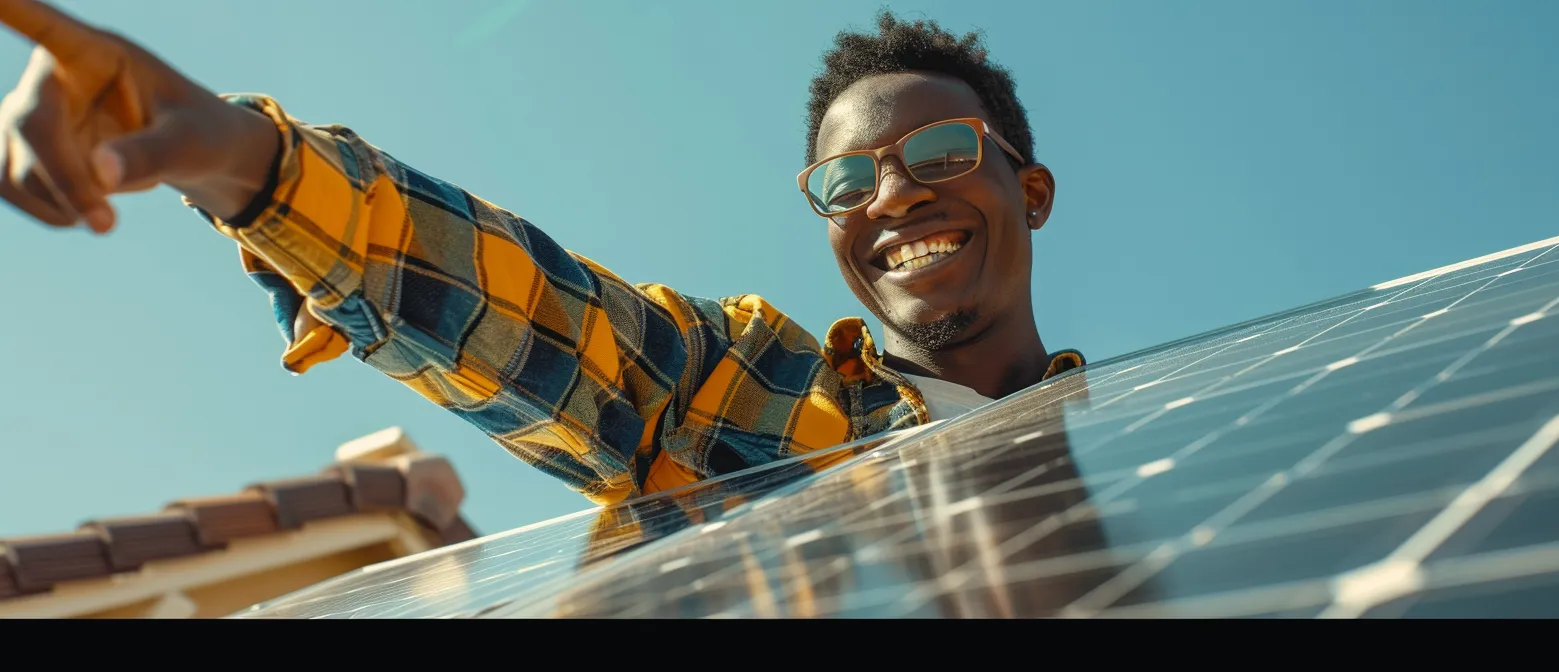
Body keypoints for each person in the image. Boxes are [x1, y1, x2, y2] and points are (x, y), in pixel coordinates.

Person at [0, 1, 1083, 507]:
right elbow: (516, 308)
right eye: (846, 181)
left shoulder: (1201, 424)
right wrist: (243, 159)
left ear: (1027, 189)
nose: (892, 195)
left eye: (941, 153)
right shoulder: (738, 386)